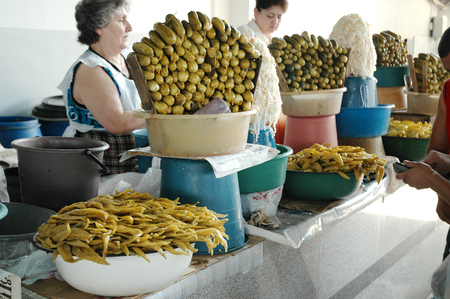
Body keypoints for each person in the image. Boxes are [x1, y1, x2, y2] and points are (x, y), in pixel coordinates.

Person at [58, 0, 146, 175]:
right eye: (121, 20)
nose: (129, 27)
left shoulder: (128, 57)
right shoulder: (91, 69)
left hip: (133, 161)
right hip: (100, 167)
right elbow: (117, 122)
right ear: (99, 26)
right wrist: (167, 114)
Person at [396, 25, 450, 259]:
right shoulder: (448, 91)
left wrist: (432, 180)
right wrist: (441, 192)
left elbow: (434, 172)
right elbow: (438, 151)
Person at [238, 0, 288, 148]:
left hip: (265, 112)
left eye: (279, 17)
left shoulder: (270, 40)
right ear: (256, 12)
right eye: (270, 15)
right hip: (248, 109)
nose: (275, 21)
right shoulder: (246, 32)